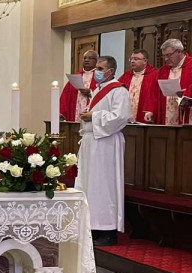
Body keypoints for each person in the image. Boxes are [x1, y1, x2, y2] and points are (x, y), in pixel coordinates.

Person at [76, 56, 130, 246]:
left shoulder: (119, 91)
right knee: (91, 184)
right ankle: (94, 227)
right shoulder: (98, 90)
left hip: (106, 142)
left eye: (100, 68)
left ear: (111, 71)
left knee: (104, 186)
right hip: (92, 141)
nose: (96, 72)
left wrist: (94, 116)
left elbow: (120, 116)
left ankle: (108, 230)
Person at [143, 38, 192, 125]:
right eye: (164, 56)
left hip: (186, 113)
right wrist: (150, 111)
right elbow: (153, 92)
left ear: (180, 52)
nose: (166, 59)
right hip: (166, 115)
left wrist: (186, 94)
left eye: (169, 55)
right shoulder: (163, 71)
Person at [118, 49, 158, 123]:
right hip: (126, 117)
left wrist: (151, 110)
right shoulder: (126, 76)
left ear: (145, 61)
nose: (132, 61)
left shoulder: (154, 75)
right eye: (131, 59)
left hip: (144, 116)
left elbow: (156, 96)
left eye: (136, 59)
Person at [60, 50, 98, 122]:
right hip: (75, 115)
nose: (87, 60)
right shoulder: (75, 77)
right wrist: (62, 113)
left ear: (97, 61)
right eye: (85, 58)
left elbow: (103, 94)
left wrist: (90, 92)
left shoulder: (99, 77)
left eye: (90, 58)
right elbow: (65, 97)